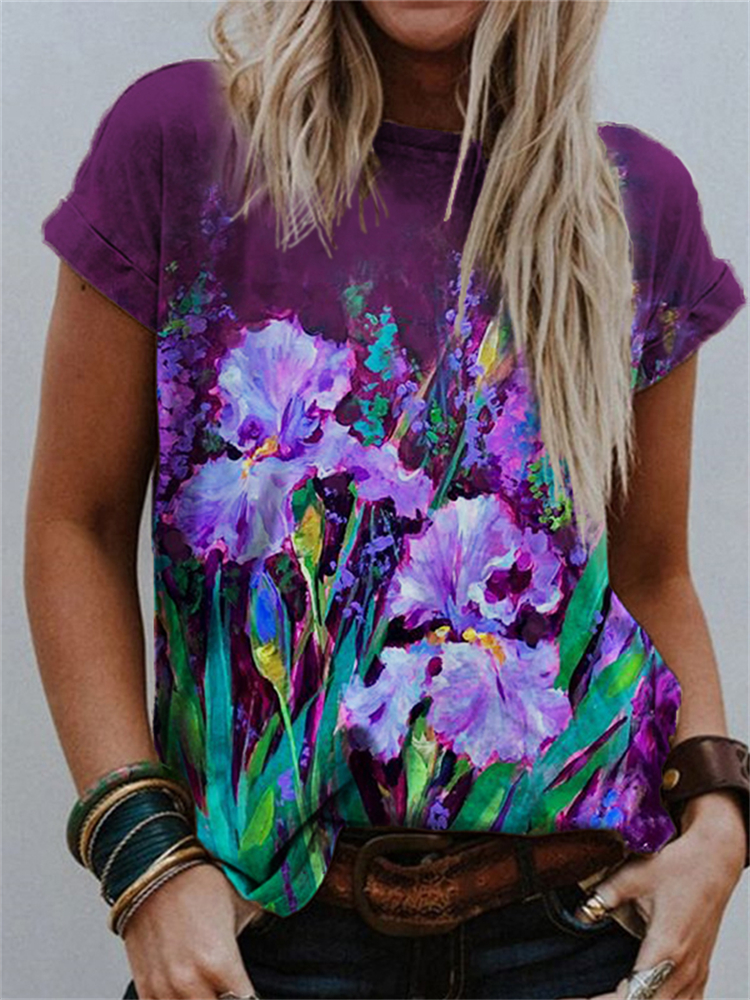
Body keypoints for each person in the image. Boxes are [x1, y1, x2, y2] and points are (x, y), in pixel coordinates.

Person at [28, 1, 749, 999]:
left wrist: (719, 817)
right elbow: (79, 525)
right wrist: (143, 857)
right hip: (264, 942)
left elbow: (652, 569)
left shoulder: (630, 203)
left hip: (567, 935)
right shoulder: (183, 150)